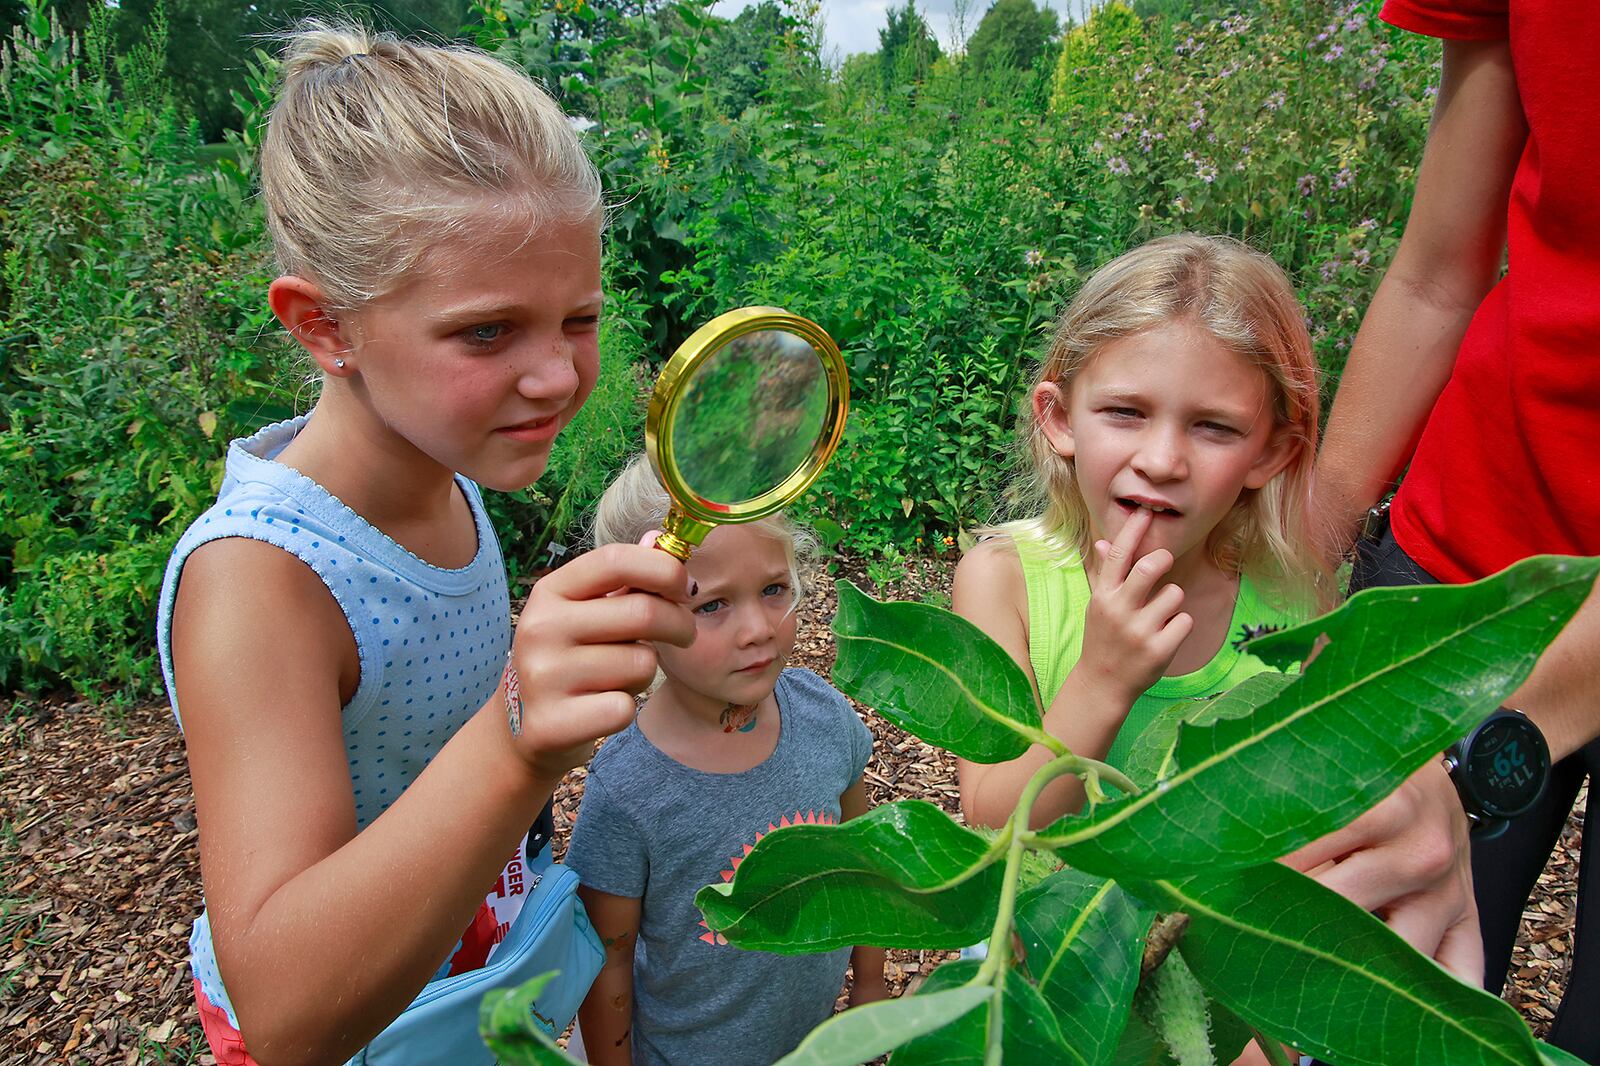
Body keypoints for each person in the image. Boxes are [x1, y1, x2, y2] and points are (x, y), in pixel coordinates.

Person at [154, 24, 698, 1066]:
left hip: (484, 986)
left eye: (577, 317)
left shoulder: (444, 469)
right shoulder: (259, 583)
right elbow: (286, 1010)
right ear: (325, 328)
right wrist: (518, 739)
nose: (554, 376)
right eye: (488, 332)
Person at [1310, 0, 1600, 1055]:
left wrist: (1480, 751)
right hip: (1468, 537)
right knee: (1339, 996)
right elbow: (1438, 268)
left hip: (1504, 699)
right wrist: (1306, 540)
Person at [953, 233, 1328, 831]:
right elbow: (997, 817)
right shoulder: (1004, 581)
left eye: (1214, 428)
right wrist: (1102, 680)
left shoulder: (1292, 605)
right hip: (1047, 927)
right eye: (1126, 413)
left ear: (1270, 453)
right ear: (1059, 418)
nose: (1161, 461)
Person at [568, 457, 889, 1066]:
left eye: (773, 590)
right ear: (639, 613)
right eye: (712, 605)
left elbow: (863, 859)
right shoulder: (627, 789)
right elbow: (608, 958)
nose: (757, 630)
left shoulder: (822, 718)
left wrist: (870, 984)